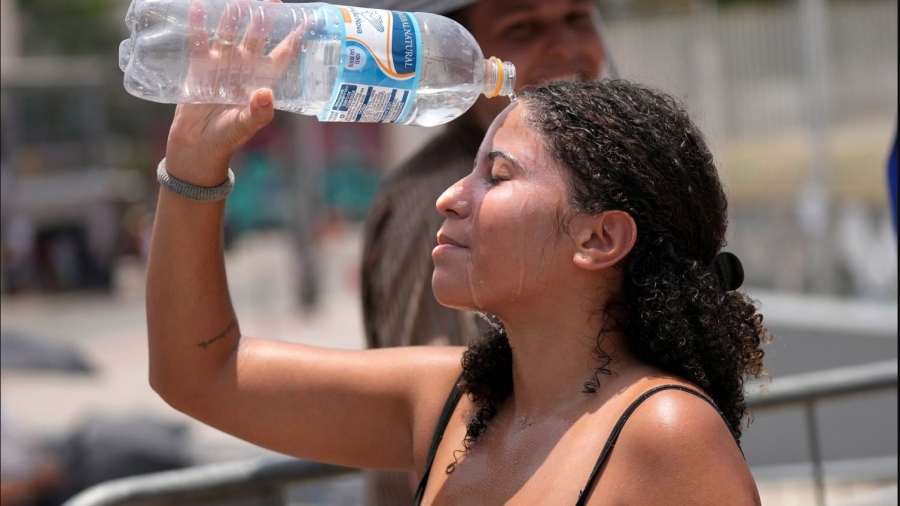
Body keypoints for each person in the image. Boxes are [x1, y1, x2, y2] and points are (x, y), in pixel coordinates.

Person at [147, 65, 770, 504]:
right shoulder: (450, 399)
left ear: (599, 239)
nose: (449, 198)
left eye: (497, 176)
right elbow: (200, 372)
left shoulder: (666, 434)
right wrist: (193, 167)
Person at [357, 3, 606, 498]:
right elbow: (447, 430)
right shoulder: (443, 204)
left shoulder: (584, 176)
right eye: (523, 27)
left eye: (577, 17)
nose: (565, 46)